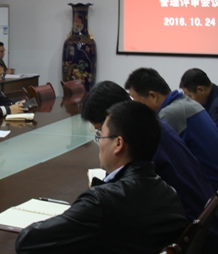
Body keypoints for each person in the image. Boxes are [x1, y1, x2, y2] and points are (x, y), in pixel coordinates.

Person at [15, 101, 187, 254]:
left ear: (118, 143)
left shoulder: (101, 202)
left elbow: (27, 242)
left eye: (100, 136)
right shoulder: (169, 194)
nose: (99, 144)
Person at [81, 81, 218, 253]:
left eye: (100, 130)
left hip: (193, 239)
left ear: (113, 119)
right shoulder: (153, 127)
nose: (102, 138)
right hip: (205, 228)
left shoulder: (141, 144)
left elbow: (119, 202)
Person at [124, 67, 218, 225]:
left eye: (135, 100)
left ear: (152, 96)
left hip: (217, 210)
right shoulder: (186, 104)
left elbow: (150, 164)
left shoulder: (169, 115)